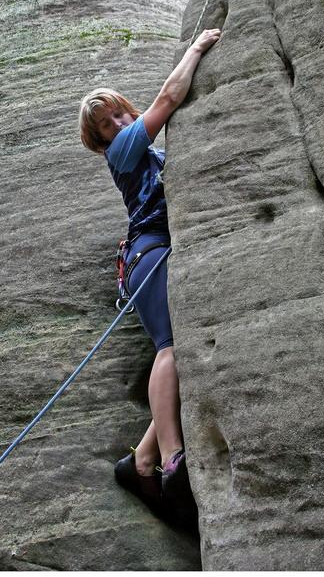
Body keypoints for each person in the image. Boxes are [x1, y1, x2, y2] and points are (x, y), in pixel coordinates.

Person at [79, 28, 221, 521]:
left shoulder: (146, 150)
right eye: (107, 124)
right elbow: (167, 98)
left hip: (161, 250)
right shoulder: (123, 152)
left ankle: (139, 461)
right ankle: (171, 457)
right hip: (150, 250)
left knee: (184, 349)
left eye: (120, 113)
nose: (119, 123)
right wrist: (196, 49)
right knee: (170, 347)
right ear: (102, 141)